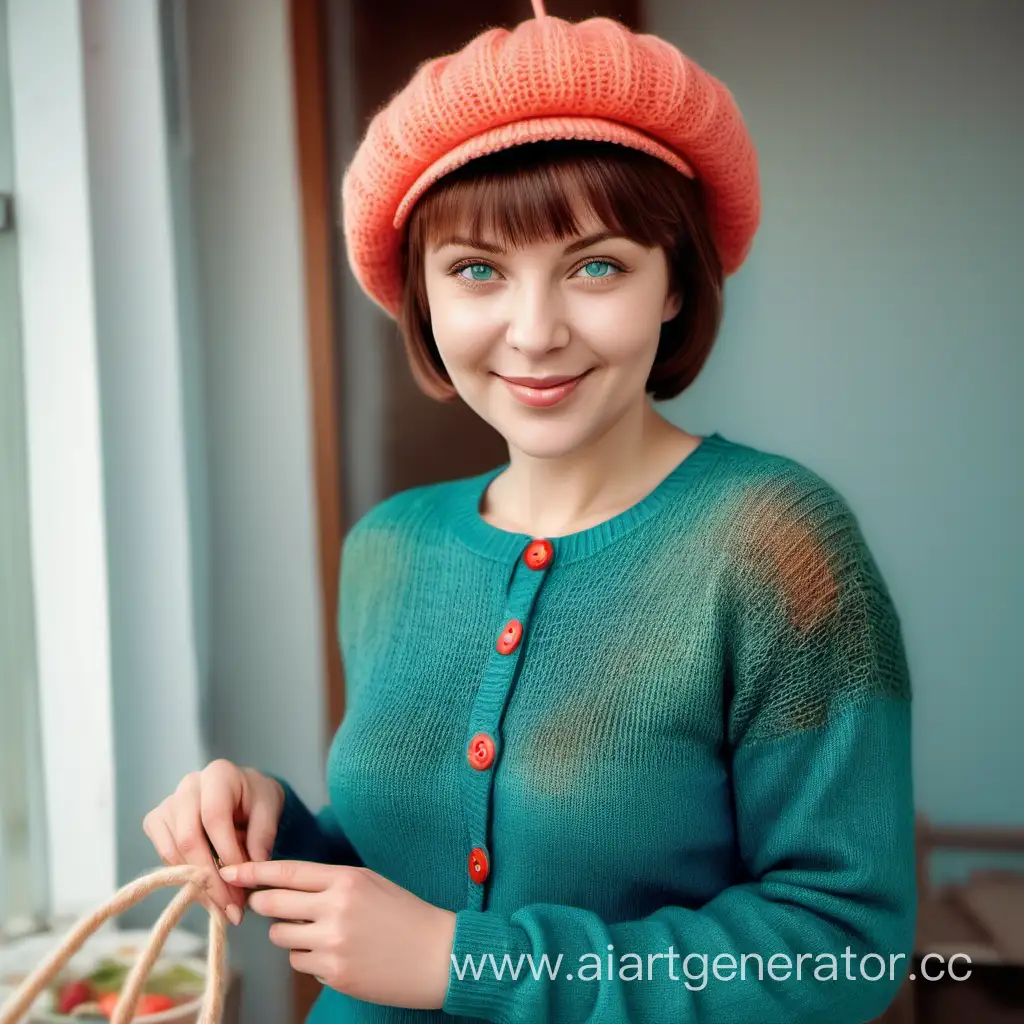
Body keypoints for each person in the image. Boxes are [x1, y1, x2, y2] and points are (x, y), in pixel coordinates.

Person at [143, 2, 917, 1021]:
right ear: (423, 295)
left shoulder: (777, 545)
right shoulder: (388, 549)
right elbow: (403, 886)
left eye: (596, 265)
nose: (536, 331)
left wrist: (470, 961)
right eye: (477, 270)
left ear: (673, 283)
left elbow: (842, 946)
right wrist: (270, 828)